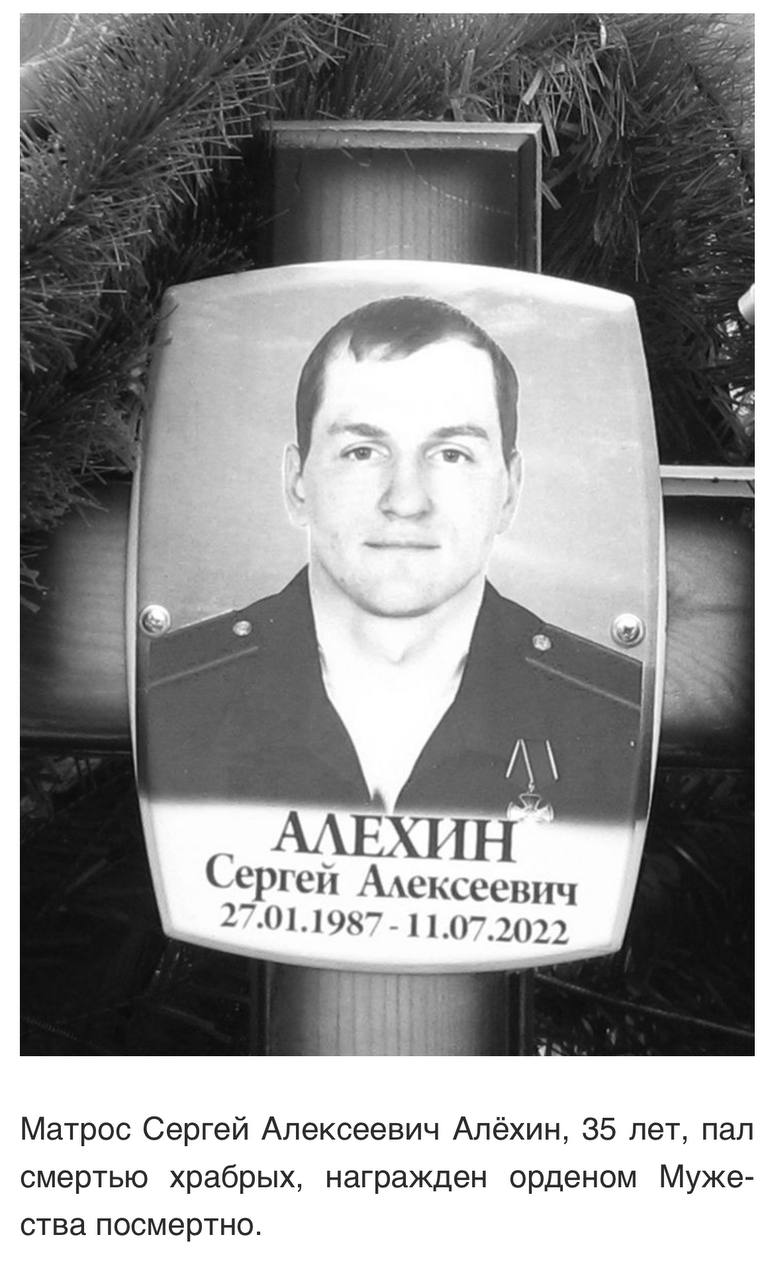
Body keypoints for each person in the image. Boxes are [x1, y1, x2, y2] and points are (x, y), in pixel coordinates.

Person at [139, 295, 644, 822]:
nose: (405, 500)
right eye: (362, 452)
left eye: (452, 454)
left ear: (510, 490)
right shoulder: (174, 695)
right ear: (296, 482)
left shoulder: (611, 716)